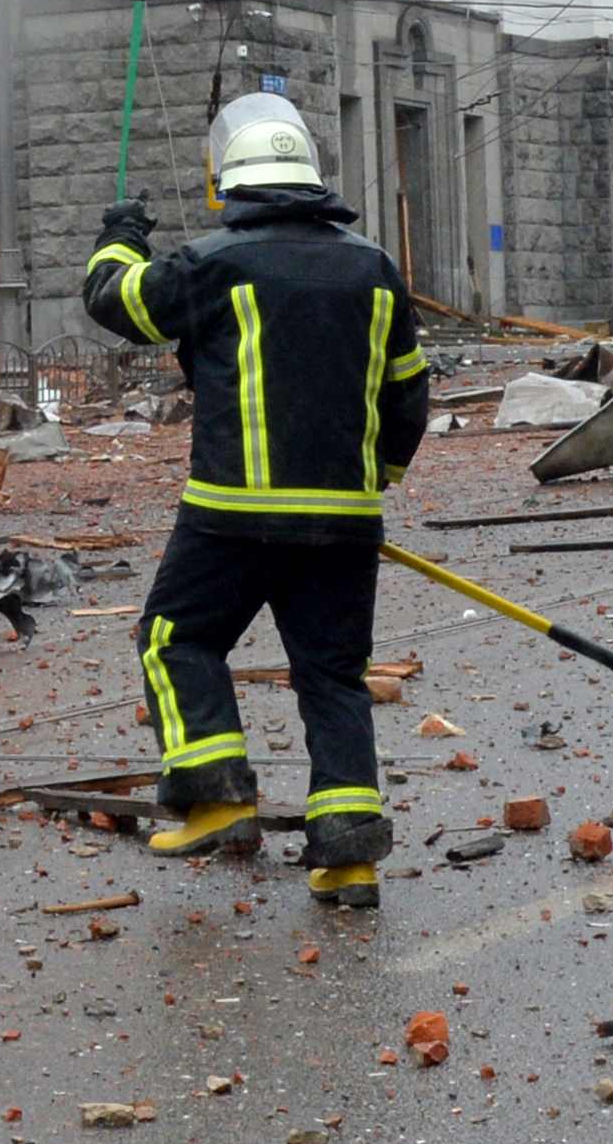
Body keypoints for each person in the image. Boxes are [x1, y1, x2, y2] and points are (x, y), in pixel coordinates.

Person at [81, 96, 430, 909]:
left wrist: (121, 233)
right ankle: (348, 859)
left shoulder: (213, 262)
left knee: (177, 635)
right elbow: (409, 395)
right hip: (342, 521)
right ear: (310, 175)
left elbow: (115, 301)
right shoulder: (373, 268)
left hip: (230, 512)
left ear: (228, 181)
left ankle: (215, 795)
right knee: (334, 677)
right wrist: (377, 474)